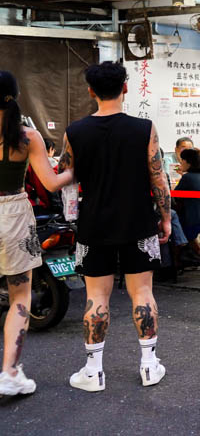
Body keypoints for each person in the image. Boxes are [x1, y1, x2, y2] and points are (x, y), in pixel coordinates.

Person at [62, 62, 172, 392]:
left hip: (94, 224)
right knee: (143, 293)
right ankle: (149, 366)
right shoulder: (144, 129)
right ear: (126, 88)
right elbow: (158, 177)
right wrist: (165, 217)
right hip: (138, 221)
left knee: (96, 297)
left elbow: (65, 178)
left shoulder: (75, 132)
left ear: (90, 91)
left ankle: (93, 372)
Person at [0, 71, 73, 396]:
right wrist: (75, 169)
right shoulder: (27, 137)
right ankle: (9, 372)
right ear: (15, 96)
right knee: (19, 296)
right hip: (13, 215)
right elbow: (51, 183)